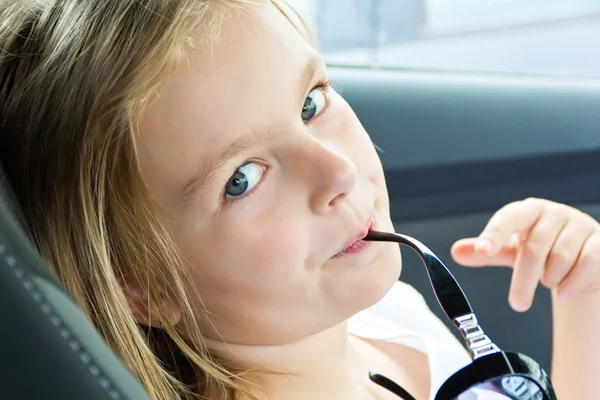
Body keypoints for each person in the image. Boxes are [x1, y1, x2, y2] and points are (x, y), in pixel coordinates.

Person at [0, 1, 598, 399]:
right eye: (242, 178)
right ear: (146, 288)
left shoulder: (389, 317)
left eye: (312, 103)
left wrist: (583, 297)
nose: (337, 170)